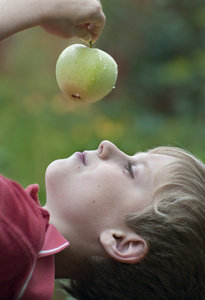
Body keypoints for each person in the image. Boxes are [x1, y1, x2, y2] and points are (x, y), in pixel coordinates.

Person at [1, 2, 205, 300]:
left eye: (130, 169)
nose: (108, 145)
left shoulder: (13, 230)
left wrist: (39, 7)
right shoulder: (22, 278)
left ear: (122, 242)